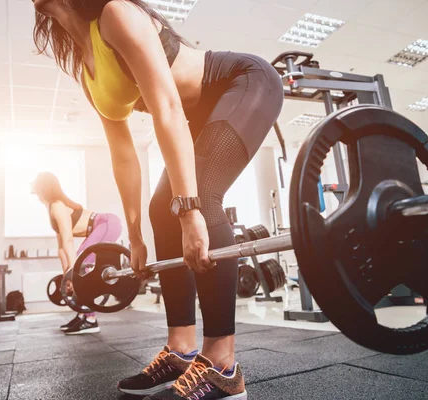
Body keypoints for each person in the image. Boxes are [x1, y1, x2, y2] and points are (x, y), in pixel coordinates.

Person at [32, 1, 283, 398]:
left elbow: (167, 108)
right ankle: (182, 349)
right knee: (158, 210)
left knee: (201, 197)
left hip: (243, 83)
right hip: (200, 115)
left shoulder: (116, 13)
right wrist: (133, 235)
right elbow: (123, 154)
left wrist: (191, 210)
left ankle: (223, 368)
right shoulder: (86, 67)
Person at [31, 171, 123, 335]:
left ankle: (91, 320)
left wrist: (74, 273)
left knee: (82, 261)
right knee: (79, 264)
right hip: (102, 225)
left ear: (42, 186)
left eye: (35, 183)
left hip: (108, 223)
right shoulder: (52, 208)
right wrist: (67, 274)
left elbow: (68, 241)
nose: (32, 185)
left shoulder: (57, 205)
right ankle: (83, 315)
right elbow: (61, 248)